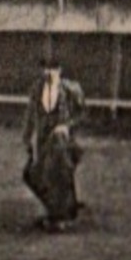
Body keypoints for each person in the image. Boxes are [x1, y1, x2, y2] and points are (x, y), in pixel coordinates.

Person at [21, 56, 87, 229]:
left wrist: (66, 126)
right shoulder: (37, 89)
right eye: (46, 69)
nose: (49, 73)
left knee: (58, 173)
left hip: (63, 141)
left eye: (54, 69)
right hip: (44, 141)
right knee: (33, 175)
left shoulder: (71, 89)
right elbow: (30, 116)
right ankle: (59, 212)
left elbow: (82, 115)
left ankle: (60, 216)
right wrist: (27, 139)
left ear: (60, 71)